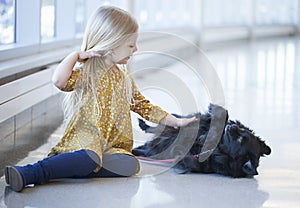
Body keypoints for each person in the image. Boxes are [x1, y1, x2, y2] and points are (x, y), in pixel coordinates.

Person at [4, 6, 196, 192]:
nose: (135, 49)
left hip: (110, 147)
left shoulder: (124, 78)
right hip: (86, 142)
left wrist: (176, 121)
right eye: (131, 44)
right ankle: (34, 172)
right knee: (90, 157)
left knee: (130, 164)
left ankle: (73, 167)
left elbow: (143, 106)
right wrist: (75, 56)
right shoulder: (88, 73)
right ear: (112, 46)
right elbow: (59, 81)